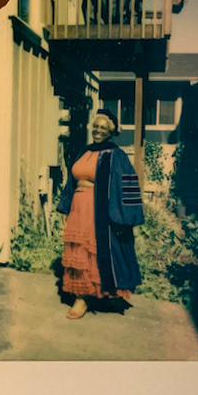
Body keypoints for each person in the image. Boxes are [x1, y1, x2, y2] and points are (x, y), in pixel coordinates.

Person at [57, 109, 145, 319]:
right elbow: (71, 183)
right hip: (79, 208)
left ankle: (89, 297)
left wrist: (124, 218)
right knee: (79, 252)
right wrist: (66, 207)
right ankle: (82, 295)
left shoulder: (116, 155)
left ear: (111, 132)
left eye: (103, 128)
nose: (98, 130)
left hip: (99, 211)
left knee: (95, 252)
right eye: (96, 126)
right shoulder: (84, 152)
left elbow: (126, 185)